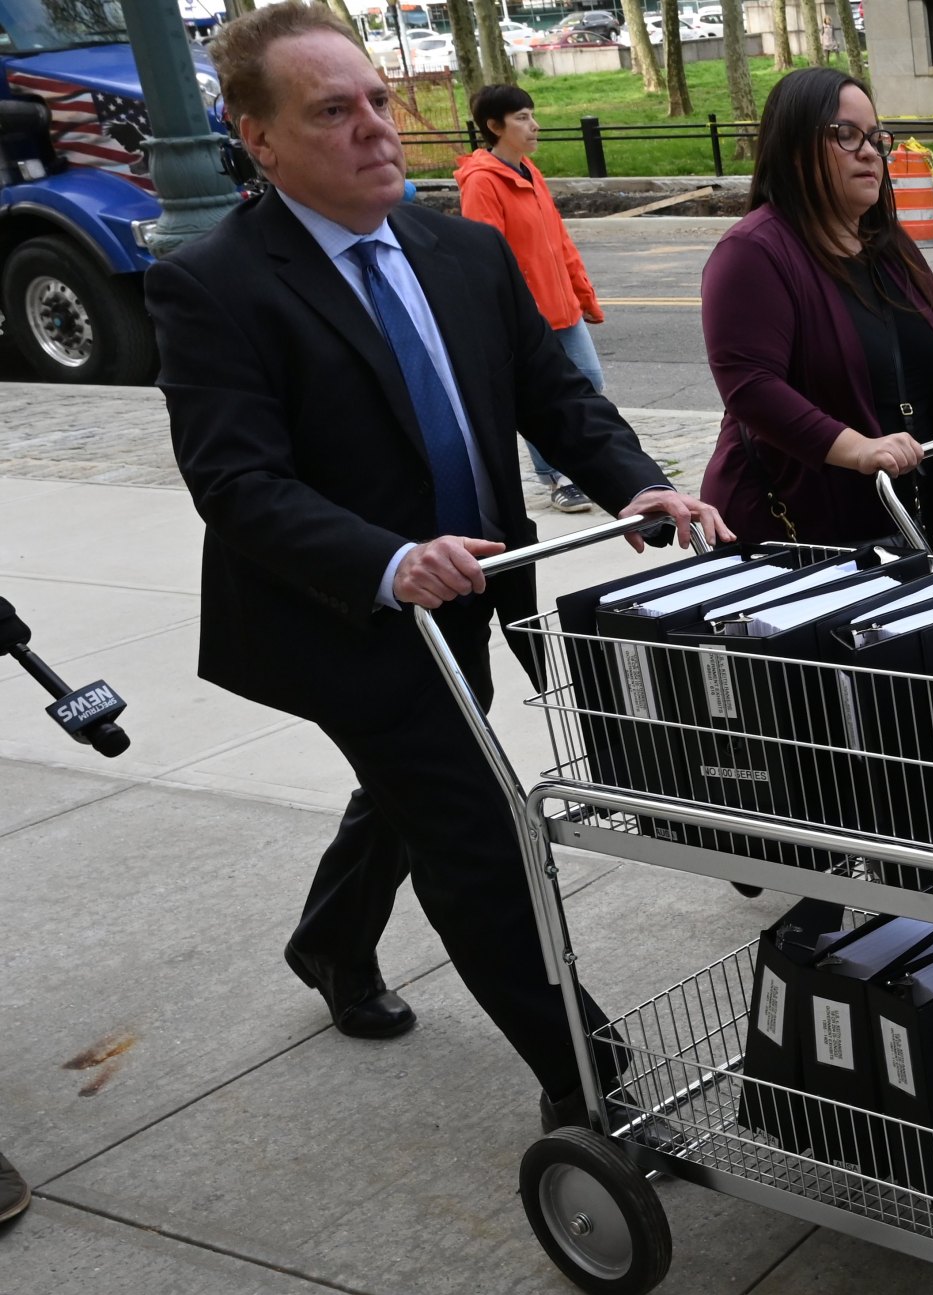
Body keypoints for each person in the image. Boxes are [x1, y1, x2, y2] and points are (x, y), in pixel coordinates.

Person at [145, 4, 731, 1119]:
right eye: (333, 111)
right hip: (348, 615)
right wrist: (388, 559)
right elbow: (237, 484)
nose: (375, 128)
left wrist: (634, 482)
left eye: (376, 100)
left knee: (412, 786)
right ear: (257, 137)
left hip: (474, 592)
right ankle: (589, 1084)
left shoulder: (460, 248)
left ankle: (328, 942)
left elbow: (554, 395)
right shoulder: (214, 285)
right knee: (476, 826)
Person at [700, 67, 933, 550]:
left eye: (876, 138)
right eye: (845, 135)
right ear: (794, 148)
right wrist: (858, 449)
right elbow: (752, 388)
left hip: (900, 516)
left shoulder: (887, 242)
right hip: (795, 533)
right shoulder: (752, 251)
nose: (868, 151)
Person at [456, 82, 609, 516]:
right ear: (493, 126)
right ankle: (558, 477)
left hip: (563, 308)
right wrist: (506, 316)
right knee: (538, 397)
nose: (534, 125)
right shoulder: (482, 182)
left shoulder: (529, 170)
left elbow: (559, 240)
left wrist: (583, 294)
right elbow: (484, 258)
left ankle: (576, 466)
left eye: (531, 114)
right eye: (521, 117)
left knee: (589, 383)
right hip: (525, 317)